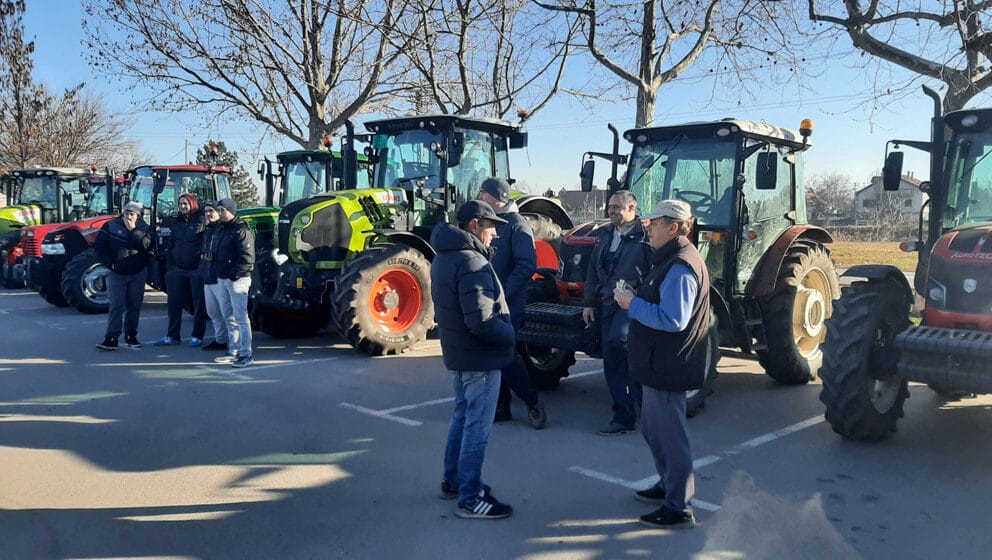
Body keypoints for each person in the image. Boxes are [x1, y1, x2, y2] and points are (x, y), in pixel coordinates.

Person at [613, 199, 711, 530]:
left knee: (670, 436)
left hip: (669, 366)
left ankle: (679, 506)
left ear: (673, 228)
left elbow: (673, 319)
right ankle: (669, 483)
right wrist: (636, 296)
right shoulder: (669, 259)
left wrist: (632, 304)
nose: (648, 227)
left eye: (654, 223)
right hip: (659, 364)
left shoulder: (681, 266)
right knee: (654, 430)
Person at [431, 200, 515, 520]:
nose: (495, 233)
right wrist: (509, 334)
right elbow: (480, 321)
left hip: (461, 355)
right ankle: (470, 498)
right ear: (474, 225)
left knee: (462, 418)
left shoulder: (445, 256)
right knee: (477, 428)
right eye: (491, 226)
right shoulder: (470, 261)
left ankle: (454, 481)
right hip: (479, 359)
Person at [477, 177, 547, 429]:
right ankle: (502, 405)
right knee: (495, 354)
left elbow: (526, 265)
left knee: (506, 354)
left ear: (496, 198)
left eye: (483, 193)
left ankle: (532, 402)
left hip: (508, 304)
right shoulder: (488, 222)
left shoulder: (517, 226)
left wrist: (502, 293)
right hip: (488, 301)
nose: (480, 197)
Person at [581, 190, 652, 435]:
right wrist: (588, 303)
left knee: (617, 343)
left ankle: (634, 408)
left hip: (631, 304)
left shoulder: (645, 237)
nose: (611, 211)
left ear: (632, 208)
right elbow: (592, 272)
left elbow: (654, 273)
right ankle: (625, 415)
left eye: (616, 207)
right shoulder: (605, 235)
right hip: (608, 302)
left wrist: (639, 295)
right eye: (610, 207)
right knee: (611, 359)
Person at [95, 201, 153, 351]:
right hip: (116, 273)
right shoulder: (110, 226)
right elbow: (100, 247)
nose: (128, 217)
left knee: (134, 306)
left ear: (138, 216)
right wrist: (110, 264)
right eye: (126, 213)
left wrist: (134, 230)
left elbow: (146, 246)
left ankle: (131, 336)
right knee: (116, 305)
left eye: (132, 214)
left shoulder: (144, 228)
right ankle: (111, 337)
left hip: (137, 273)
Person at [153, 193, 208, 347]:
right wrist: (170, 267)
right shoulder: (177, 222)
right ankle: (172, 336)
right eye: (180, 204)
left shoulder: (202, 220)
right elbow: (171, 244)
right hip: (177, 270)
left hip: (196, 270)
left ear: (192, 204)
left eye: (185, 203)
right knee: (174, 305)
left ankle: (197, 336)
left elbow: (207, 242)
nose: (183, 206)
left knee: (198, 305)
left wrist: (201, 266)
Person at [213, 198, 255, 368]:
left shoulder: (241, 230)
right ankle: (234, 351)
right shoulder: (221, 229)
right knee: (228, 317)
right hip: (222, 278)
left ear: (231, 210)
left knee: (241, 318)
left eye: (223, 210)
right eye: (219, 210)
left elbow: (248, 257)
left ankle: (246, 353)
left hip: (238, 280)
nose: (220, 213)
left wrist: (234, 275)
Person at [198, 201, 231, 352]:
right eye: (206, 211)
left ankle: (235, 344)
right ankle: (220, 339)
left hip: (219, 277)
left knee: (227, 313)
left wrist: (215, 258)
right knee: (213, 312)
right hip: (208, 275)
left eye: (211, 211)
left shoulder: (223, 229)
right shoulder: (207, 230)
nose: (208, 214)